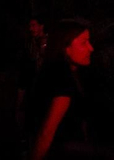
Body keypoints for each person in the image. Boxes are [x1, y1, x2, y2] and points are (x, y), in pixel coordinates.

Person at [29, 20, 96, 159]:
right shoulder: (61, 76)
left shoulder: (73, 74)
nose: (91, 48)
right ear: (66, 47)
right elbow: (47, 131)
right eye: (84, 43)